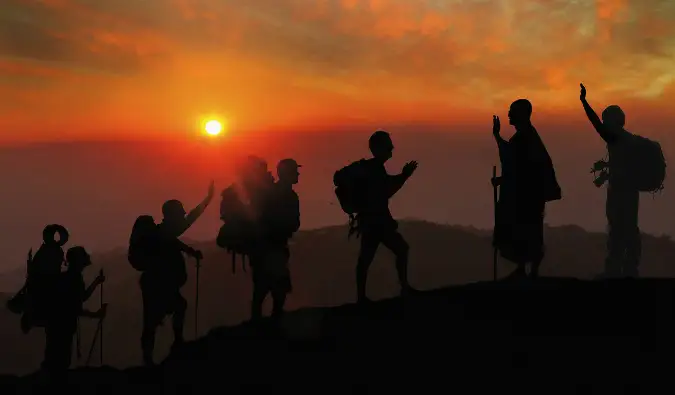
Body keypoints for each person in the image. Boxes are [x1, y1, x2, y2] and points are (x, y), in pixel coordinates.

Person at [139, 182, 213, 366]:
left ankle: (153, 354)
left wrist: (190, 251)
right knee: (158, 317)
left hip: (155, 282)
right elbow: (191, 219)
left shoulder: (164, 232)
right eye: (179, 213)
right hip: (158, 283)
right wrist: (208, 199)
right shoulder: (166, 231)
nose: (182, 216)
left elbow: (174, 243)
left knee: (157, 317)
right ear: (172, 215)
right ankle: (159, 352)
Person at [492, 99, 561, 279]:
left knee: (529, 230)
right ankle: (523, 268)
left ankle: (531, 271)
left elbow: (521, 166)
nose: (508, 115)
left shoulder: (526, 137)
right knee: (523, 230)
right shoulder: (525, 136)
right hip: (526, 194)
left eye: (512, 111)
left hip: (528, 195)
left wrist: (498, 138)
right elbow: (515, 164)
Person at [579, 83, 641, 278]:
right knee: (629, 228)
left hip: (620, 192)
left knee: (617, 229)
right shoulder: (629, 139)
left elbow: (595, 123)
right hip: (631, 192)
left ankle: (614, 269)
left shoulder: (614, 138)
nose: (604, 124)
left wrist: (584, 102)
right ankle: (630, 268)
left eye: (606, 120)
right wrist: (606, 170)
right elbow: (624, 165)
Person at [355, 131, 418, 304]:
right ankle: (403, 288)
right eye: (388, 145)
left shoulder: (373, 168)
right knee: (400, 249)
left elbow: (386, 188)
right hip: (376, 222)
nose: (392, 148)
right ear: (379, 148)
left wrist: (403, 176)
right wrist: (404, 176)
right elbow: (386, 191)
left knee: (366, 259)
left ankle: (361, 297)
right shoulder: (374, 170)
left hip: (371, 222)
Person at [251, 158, 301, 324]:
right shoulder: (287, 195)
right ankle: (271, 323)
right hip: (272, 247)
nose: (298, 174)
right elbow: (292, 223)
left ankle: (259, 323)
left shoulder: (271, 192)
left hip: (265, 247)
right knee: (273, 287)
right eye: (295, 171)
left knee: (264, 287)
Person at [42, 246, 106, 375]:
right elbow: (76, 306)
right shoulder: (74, 280)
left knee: (53, 360)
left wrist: (96, 282)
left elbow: (80, 298)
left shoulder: (65, 278)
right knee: (60, 362)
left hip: (54, 326)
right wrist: (95, 315)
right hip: (63, 327)